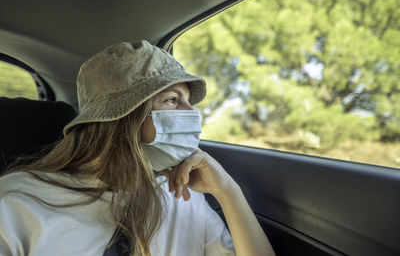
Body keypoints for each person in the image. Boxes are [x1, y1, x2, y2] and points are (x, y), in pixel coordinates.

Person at [0, 41, 275, 256]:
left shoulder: (183, 198)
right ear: (120, 118)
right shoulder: (17, 204)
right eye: (172, 100)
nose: (192, 113)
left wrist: (227, 192)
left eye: (189, 101)